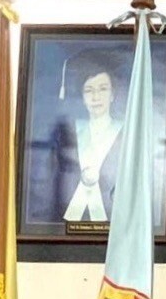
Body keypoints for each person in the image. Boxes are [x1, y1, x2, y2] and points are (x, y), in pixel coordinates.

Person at [46, 50, 126, 224]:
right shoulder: (68, 133)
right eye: (89, 91)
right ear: (82, 97)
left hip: (112, 218)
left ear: (113, 94)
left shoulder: (125, 134)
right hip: (68, 221)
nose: (96, 97)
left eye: (103, 89)